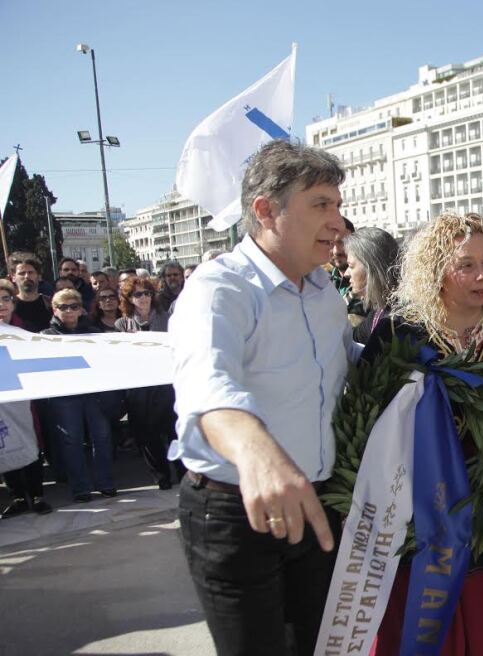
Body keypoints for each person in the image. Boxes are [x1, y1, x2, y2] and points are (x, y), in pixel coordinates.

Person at [169, 140, 358, 656]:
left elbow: (352, 367)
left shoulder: (324, 292)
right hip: (234, 513)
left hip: (317, 503)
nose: (338, 222)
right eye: (321, 204)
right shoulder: (219, 289)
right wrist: (257, 452)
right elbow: (207, 389)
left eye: (338, 206)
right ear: (265, 210)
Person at [363, 211, 483, 656]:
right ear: (435, 271)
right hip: (422, 506)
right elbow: (369, 413)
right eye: (465, 264)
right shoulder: (400, 330)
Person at [41, 288, 117, 503]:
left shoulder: (93, 333)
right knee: (71, 441)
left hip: (93, 394)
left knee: (102, 438)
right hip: (64, 396)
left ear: (81, 309)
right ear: (55, 310)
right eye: (63, 307)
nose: (69, 311)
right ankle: (80, 488)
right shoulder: (45, 337)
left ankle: (106, 483)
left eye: (73, 306)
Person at [116, 275, 182, 489]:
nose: (143, 298)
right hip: (140, 388)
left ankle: (183, 473)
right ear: (129, 298)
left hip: (167, 384)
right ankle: (161, 475)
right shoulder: (122, 324)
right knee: (147, 434)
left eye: (147, 293)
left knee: (174, 430)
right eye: (138, 294)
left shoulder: (167, 319)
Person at [0, 278, 53, 518]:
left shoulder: (25, 329)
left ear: (13, 302)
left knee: (31, 443)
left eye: (5, 298)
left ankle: (38, 495)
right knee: (6, 445)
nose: (1, 304)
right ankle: (18, 496)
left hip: (26, 397)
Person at [342, 226, 400, 344]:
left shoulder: (398, 320)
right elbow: (352, 339)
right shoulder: (378, 312)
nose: (347, 273)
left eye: (351, 266)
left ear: (371, 268)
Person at [10, 253, 52, 333]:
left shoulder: (51, 304)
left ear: (39, 276)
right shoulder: (8, 307)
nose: (26, 276)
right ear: (13, 277)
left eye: (30, 272)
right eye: (21, 273)